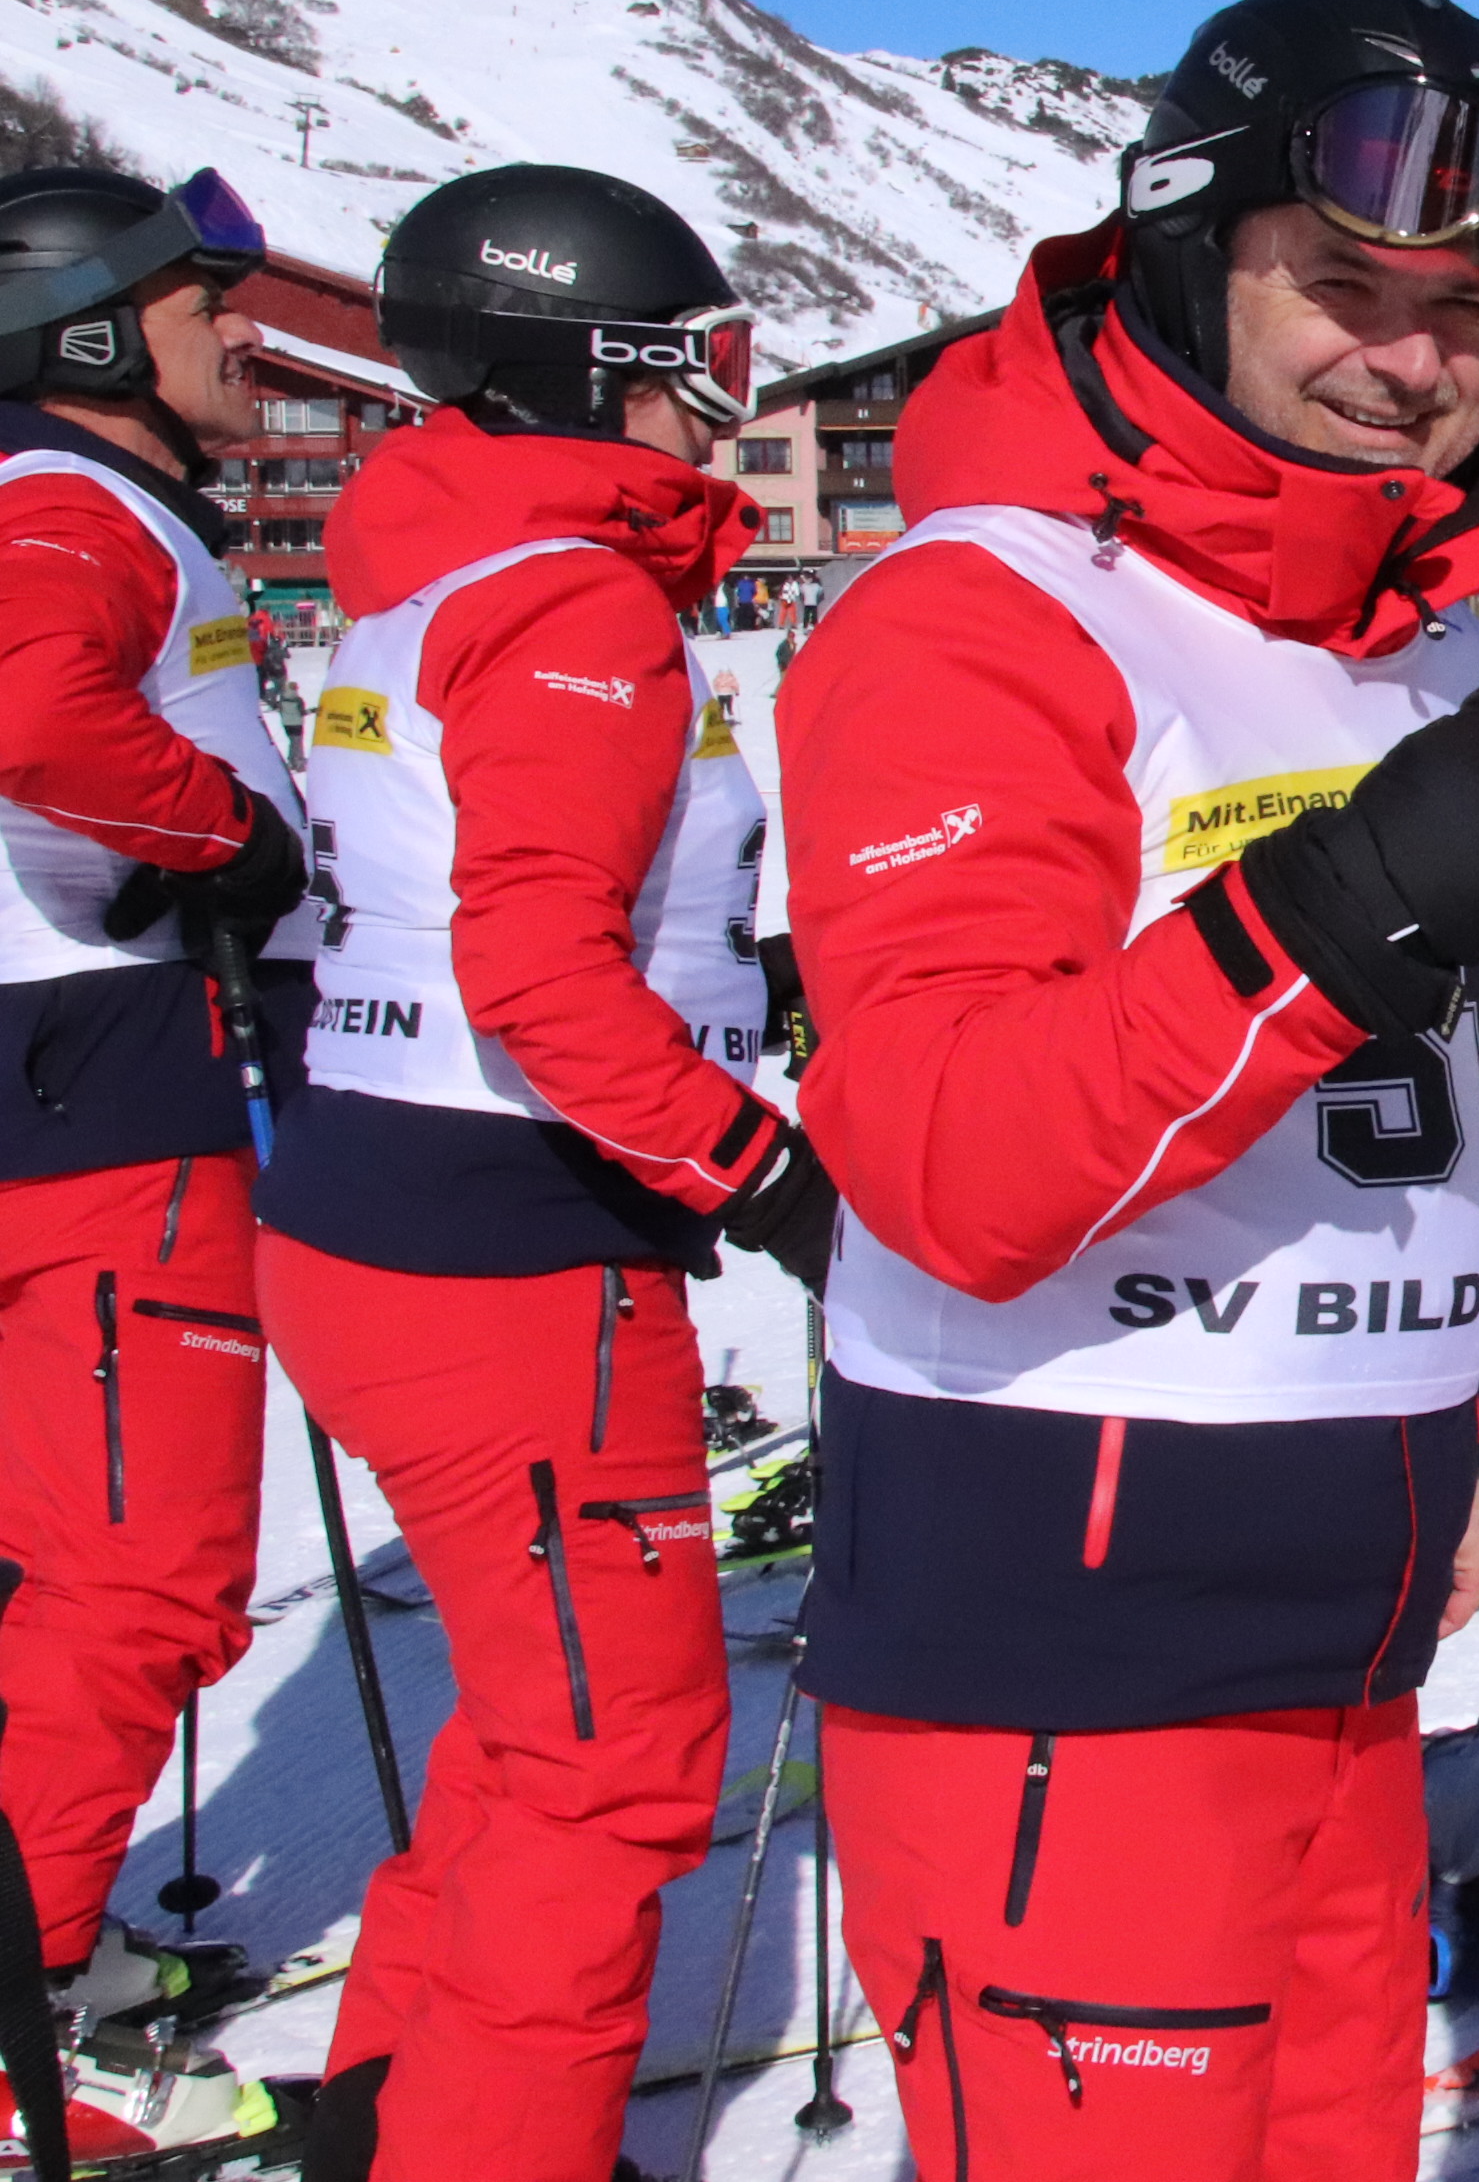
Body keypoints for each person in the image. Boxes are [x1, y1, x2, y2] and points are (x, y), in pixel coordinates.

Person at [773, 0, 1479, 2177]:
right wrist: (1348, 899)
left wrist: (1461, 1419)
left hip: (1351, 1631)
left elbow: (1409, 1140)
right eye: (1347, 286)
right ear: (1188, 253)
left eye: (1464, 308)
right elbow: (949, 1159)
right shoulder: (984, 614)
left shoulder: (1424, 625)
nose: (1413, 358)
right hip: (1069, 1650)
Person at [252, 164, 831, 2182]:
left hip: (387, 1210)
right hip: (508, 1248)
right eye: (694, 374)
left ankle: (400, 2104)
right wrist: (772, 1177)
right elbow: (536, 976)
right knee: (616, 1760)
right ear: (595, 369)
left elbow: (476, 908)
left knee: (532, 1722)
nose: (712, 418)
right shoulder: (575, 598)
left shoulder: (437, 571)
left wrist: (752, 977)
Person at [0, 164, 313, 2161]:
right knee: (139, 1575)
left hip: (72, 1071)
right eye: (206, 302)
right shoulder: (69, 497)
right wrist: (227, 831)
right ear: (98, 329)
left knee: (59, 1564)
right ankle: (17, 2025)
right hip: (107, 1089)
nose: (244, 336)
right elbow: (31, 703)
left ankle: (33, 1933)